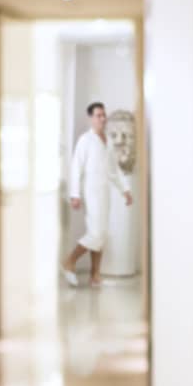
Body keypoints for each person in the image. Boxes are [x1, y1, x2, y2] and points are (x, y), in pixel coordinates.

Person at [61, 102, 132, 287]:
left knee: (102, 234)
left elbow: (114, 170)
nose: (102, 118)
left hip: (104, 191)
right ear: (91, 118)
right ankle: (69, 262)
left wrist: (125, 190)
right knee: (96, 233)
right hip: (91, 192)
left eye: (103, 115)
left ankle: (95, 276)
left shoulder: (107, 140)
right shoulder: (85, 140)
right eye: (98, 115)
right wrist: (74, 194)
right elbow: (76, 167)